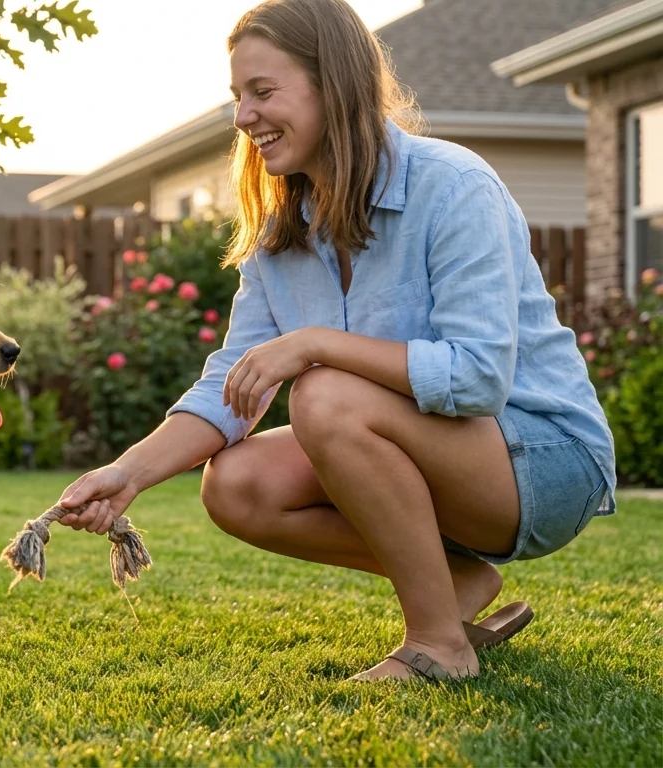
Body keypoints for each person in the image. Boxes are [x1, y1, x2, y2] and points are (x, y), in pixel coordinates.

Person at [56, 0, 616, 682]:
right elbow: (231, 382)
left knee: (324, 393)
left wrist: (317, 344)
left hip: (545, 461)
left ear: (336, 84)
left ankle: (440, 645)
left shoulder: (454, 187)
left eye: (263, 92)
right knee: (236, 483)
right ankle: (456, 582)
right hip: (440, 456)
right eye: (238, 97)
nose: (242, 117)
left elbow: (476, 378)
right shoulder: (281, 237)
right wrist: (129, 474)